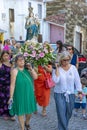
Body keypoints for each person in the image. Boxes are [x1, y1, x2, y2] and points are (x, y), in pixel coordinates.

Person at [52, 51, 82, 130]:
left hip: (71, 94)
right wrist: (57, 68)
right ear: (61, 60)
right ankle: (63, 128)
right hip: (59, 94)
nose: (66, 62)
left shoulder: (73, 68)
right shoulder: (56, 69)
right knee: (61, 113)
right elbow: (56, 81)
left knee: (69, 113)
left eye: (68, 60)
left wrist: (79, 92)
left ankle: (63, 126)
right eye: (64, 60)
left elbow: (77, 81)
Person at [8, 54, 37, 130]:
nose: (21, 61)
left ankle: (27, 122)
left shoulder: (28, 69)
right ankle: (22, 128)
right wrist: (11, 97)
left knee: (29, 112)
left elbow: (35, 77)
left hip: (29, 93)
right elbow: (12, 84)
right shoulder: (14, 71)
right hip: (19, 94)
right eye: (19, 60)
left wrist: (31, 69)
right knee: (20, 112)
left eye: (23, 59)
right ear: (16, 62)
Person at [0, 51, 15, 120]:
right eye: (4, 56)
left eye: (7, 55)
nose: (6, 57)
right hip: (1, 85)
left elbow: (13, 74)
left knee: (10, 98)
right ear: (2, 56)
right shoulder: (0, 63)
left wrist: (13, 66)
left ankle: (11, 114)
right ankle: (4, 113)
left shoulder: (12, 64)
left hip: (9, 84)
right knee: (3, 99)